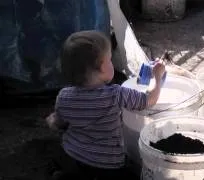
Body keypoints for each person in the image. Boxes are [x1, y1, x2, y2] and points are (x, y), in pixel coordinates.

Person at [46, 30, 165, 179]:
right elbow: (150, 100)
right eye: (110, 59)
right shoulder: (116, 95)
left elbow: (58, 123)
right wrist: (158, 78)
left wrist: (52, 119)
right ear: (102, 68)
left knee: (68, 164)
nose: (112, 62)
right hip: (108, 164)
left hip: (73, 155)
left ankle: (62, 175)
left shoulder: (64, 96)